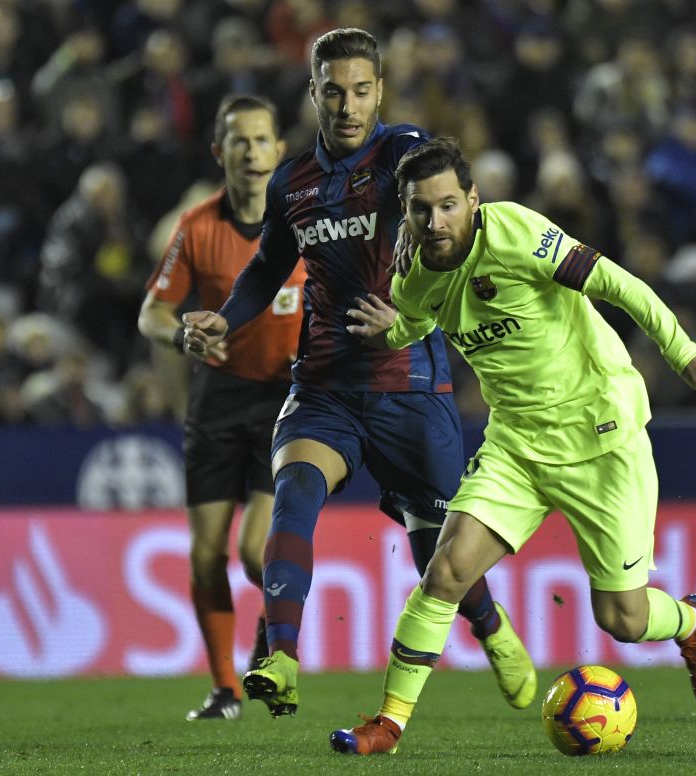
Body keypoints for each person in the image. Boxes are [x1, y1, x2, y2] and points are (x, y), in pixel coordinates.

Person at [331, 138, 696, 755]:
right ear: (407, 211)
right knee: (444, 572)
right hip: (516, 446)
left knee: (623, 620)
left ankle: (693, 621)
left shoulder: (517, 233)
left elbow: (617, 283)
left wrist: (682, 352)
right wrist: (394, 328)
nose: (436, 221)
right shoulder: (413, 274)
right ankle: (388, 724)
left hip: (601, 439)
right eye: (422, 210)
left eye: (448, 205)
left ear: (473, 199)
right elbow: (416, 321)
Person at [181, 29, 534, 718]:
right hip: (323, 385)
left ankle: (493, 631)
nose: (348, 105)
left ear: (380, 91)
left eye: (362, 90)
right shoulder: (292, 184)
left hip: (410, 384)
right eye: (334, 91)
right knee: (295, 489)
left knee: (440, 552)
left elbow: (445, 195)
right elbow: (266, 267)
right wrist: (227, 316)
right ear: (313, 92)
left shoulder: (401, 154)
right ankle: (279, 655)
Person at [138, 94, 305, 721]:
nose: (253, 152)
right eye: (240, 141)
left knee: (257, 552)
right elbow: (151, 311)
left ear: (279, 151)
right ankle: (225, 690)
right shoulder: (197, 227)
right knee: (207, 554)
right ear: (220, 153)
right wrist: (181, 331)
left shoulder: (303, 226)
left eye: (263, 140)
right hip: (217, 399)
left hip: (286, 401)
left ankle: (276, 646)